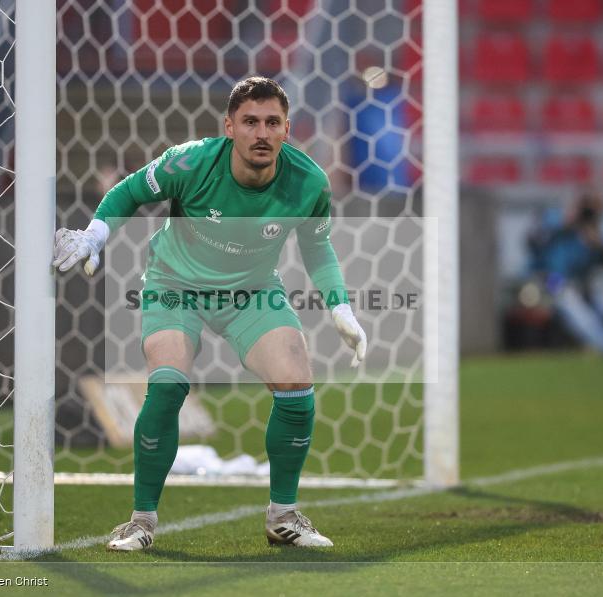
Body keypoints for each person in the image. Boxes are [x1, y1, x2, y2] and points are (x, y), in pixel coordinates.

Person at [52, 77, 367, 550]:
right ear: (230, 127)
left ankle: (283, 516)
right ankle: (141, 521)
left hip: (252, 292)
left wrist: (341, 307)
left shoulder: (309, 183)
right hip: (175, 285)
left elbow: (316, 247)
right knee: (167, 385)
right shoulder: (191, 161)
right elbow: (127, 193)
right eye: (250, 122)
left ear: (287, 128)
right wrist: (96, 235)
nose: (261, 133)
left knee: (297, 387)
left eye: (272, 123)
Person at [524, 188, 603, 361]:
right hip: (548, 279)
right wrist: (566, 222)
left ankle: (602, 343)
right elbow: (531, 241)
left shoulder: (599, 230)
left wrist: (596, 242)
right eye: (587, 205)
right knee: (574, 307)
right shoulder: (556, 218)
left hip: (580, 285)